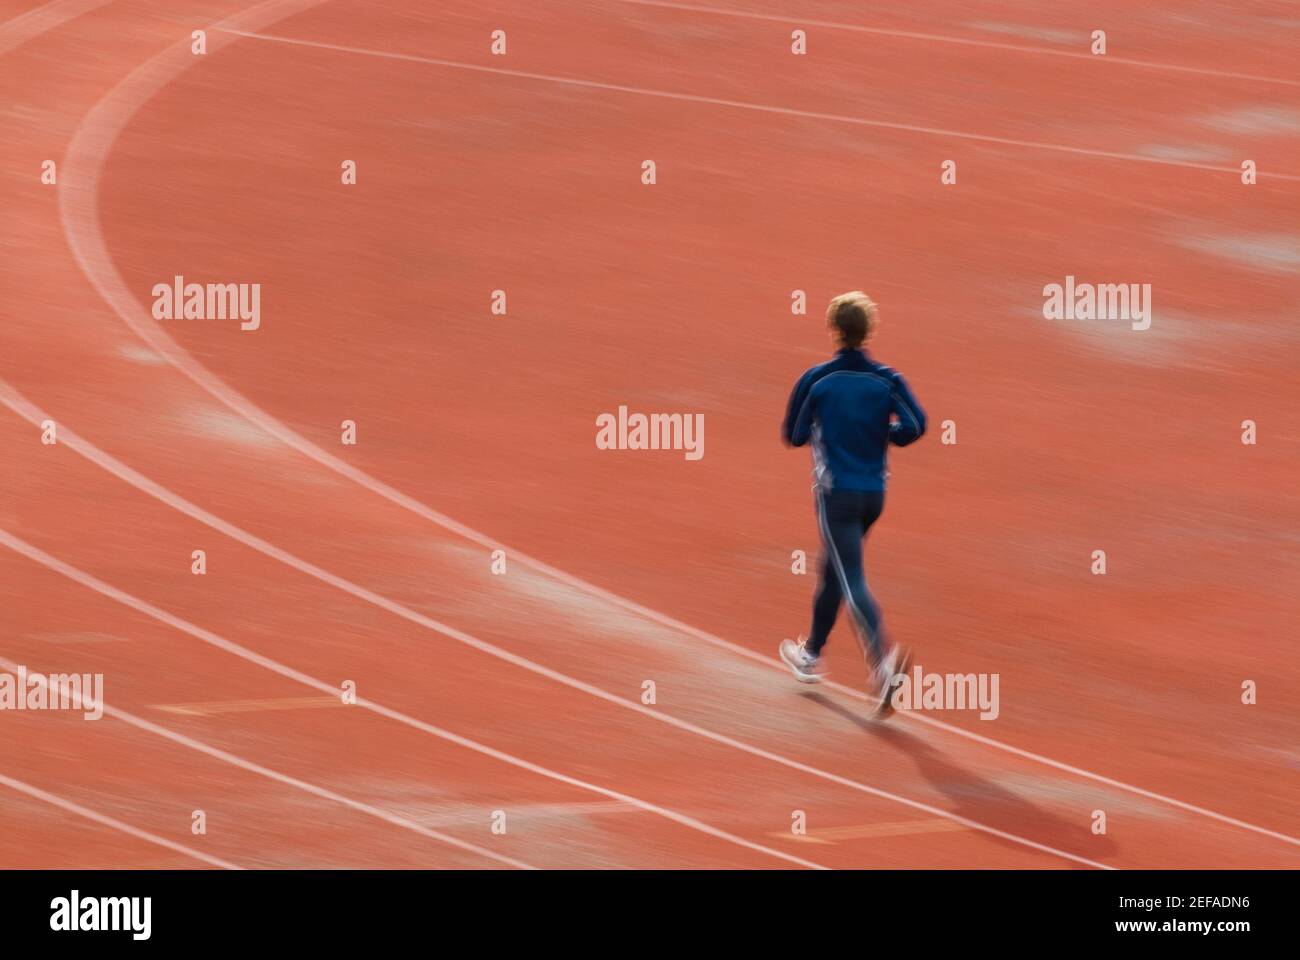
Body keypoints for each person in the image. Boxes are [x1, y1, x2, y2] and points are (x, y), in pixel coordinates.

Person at [779, 291, 926, 715]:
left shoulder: (817, 380)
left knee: (850, 577)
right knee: (834, 570)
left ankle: (882, 665)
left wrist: (826, 427)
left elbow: (794, 434)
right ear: (868, 331)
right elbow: (915, 425)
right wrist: (886, 434)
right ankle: (810, 655)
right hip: (874, 494)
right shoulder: (888, 380)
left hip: (835, 494)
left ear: (833, 330)